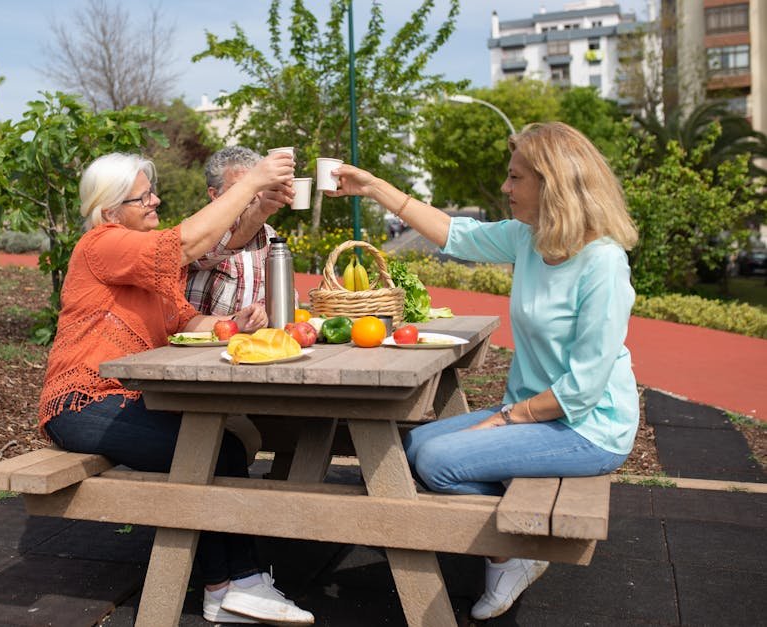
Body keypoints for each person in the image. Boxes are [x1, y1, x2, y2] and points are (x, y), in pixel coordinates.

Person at [327, 121, 640, 621]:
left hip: (587, 426)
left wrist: (506, 419)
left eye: (516, 178)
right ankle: (511, 533)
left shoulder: (602, 263)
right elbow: (456, 233)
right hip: (537, 413)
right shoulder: (528, 239)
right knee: (407, 450)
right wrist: (376, 189)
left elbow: (582, 389)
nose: (505, 187)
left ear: (552, 184)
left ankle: (511, 554)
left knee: (437, 463)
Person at [37, 151, 314, 626]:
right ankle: (234, 584)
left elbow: (185, 320)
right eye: (142, 196)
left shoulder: (142, 266)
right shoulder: (102, 244)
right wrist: (251, 184)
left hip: (124, 399)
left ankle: (231, 588)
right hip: (81, 403)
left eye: (151, 192)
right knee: (204, 449)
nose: (155, 200)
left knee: (219, 445)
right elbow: (188, 242)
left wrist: (232, 325)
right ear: (109, 211)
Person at [186, 146, 289, 315]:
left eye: (258, 187)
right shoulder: (195, 229)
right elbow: (205, 256)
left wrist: (263, 310)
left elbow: (286, 291)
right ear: (214, 194)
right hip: (204, 338)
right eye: (242, 188)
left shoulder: (269, 235)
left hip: (251, 339)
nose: (253, 195)